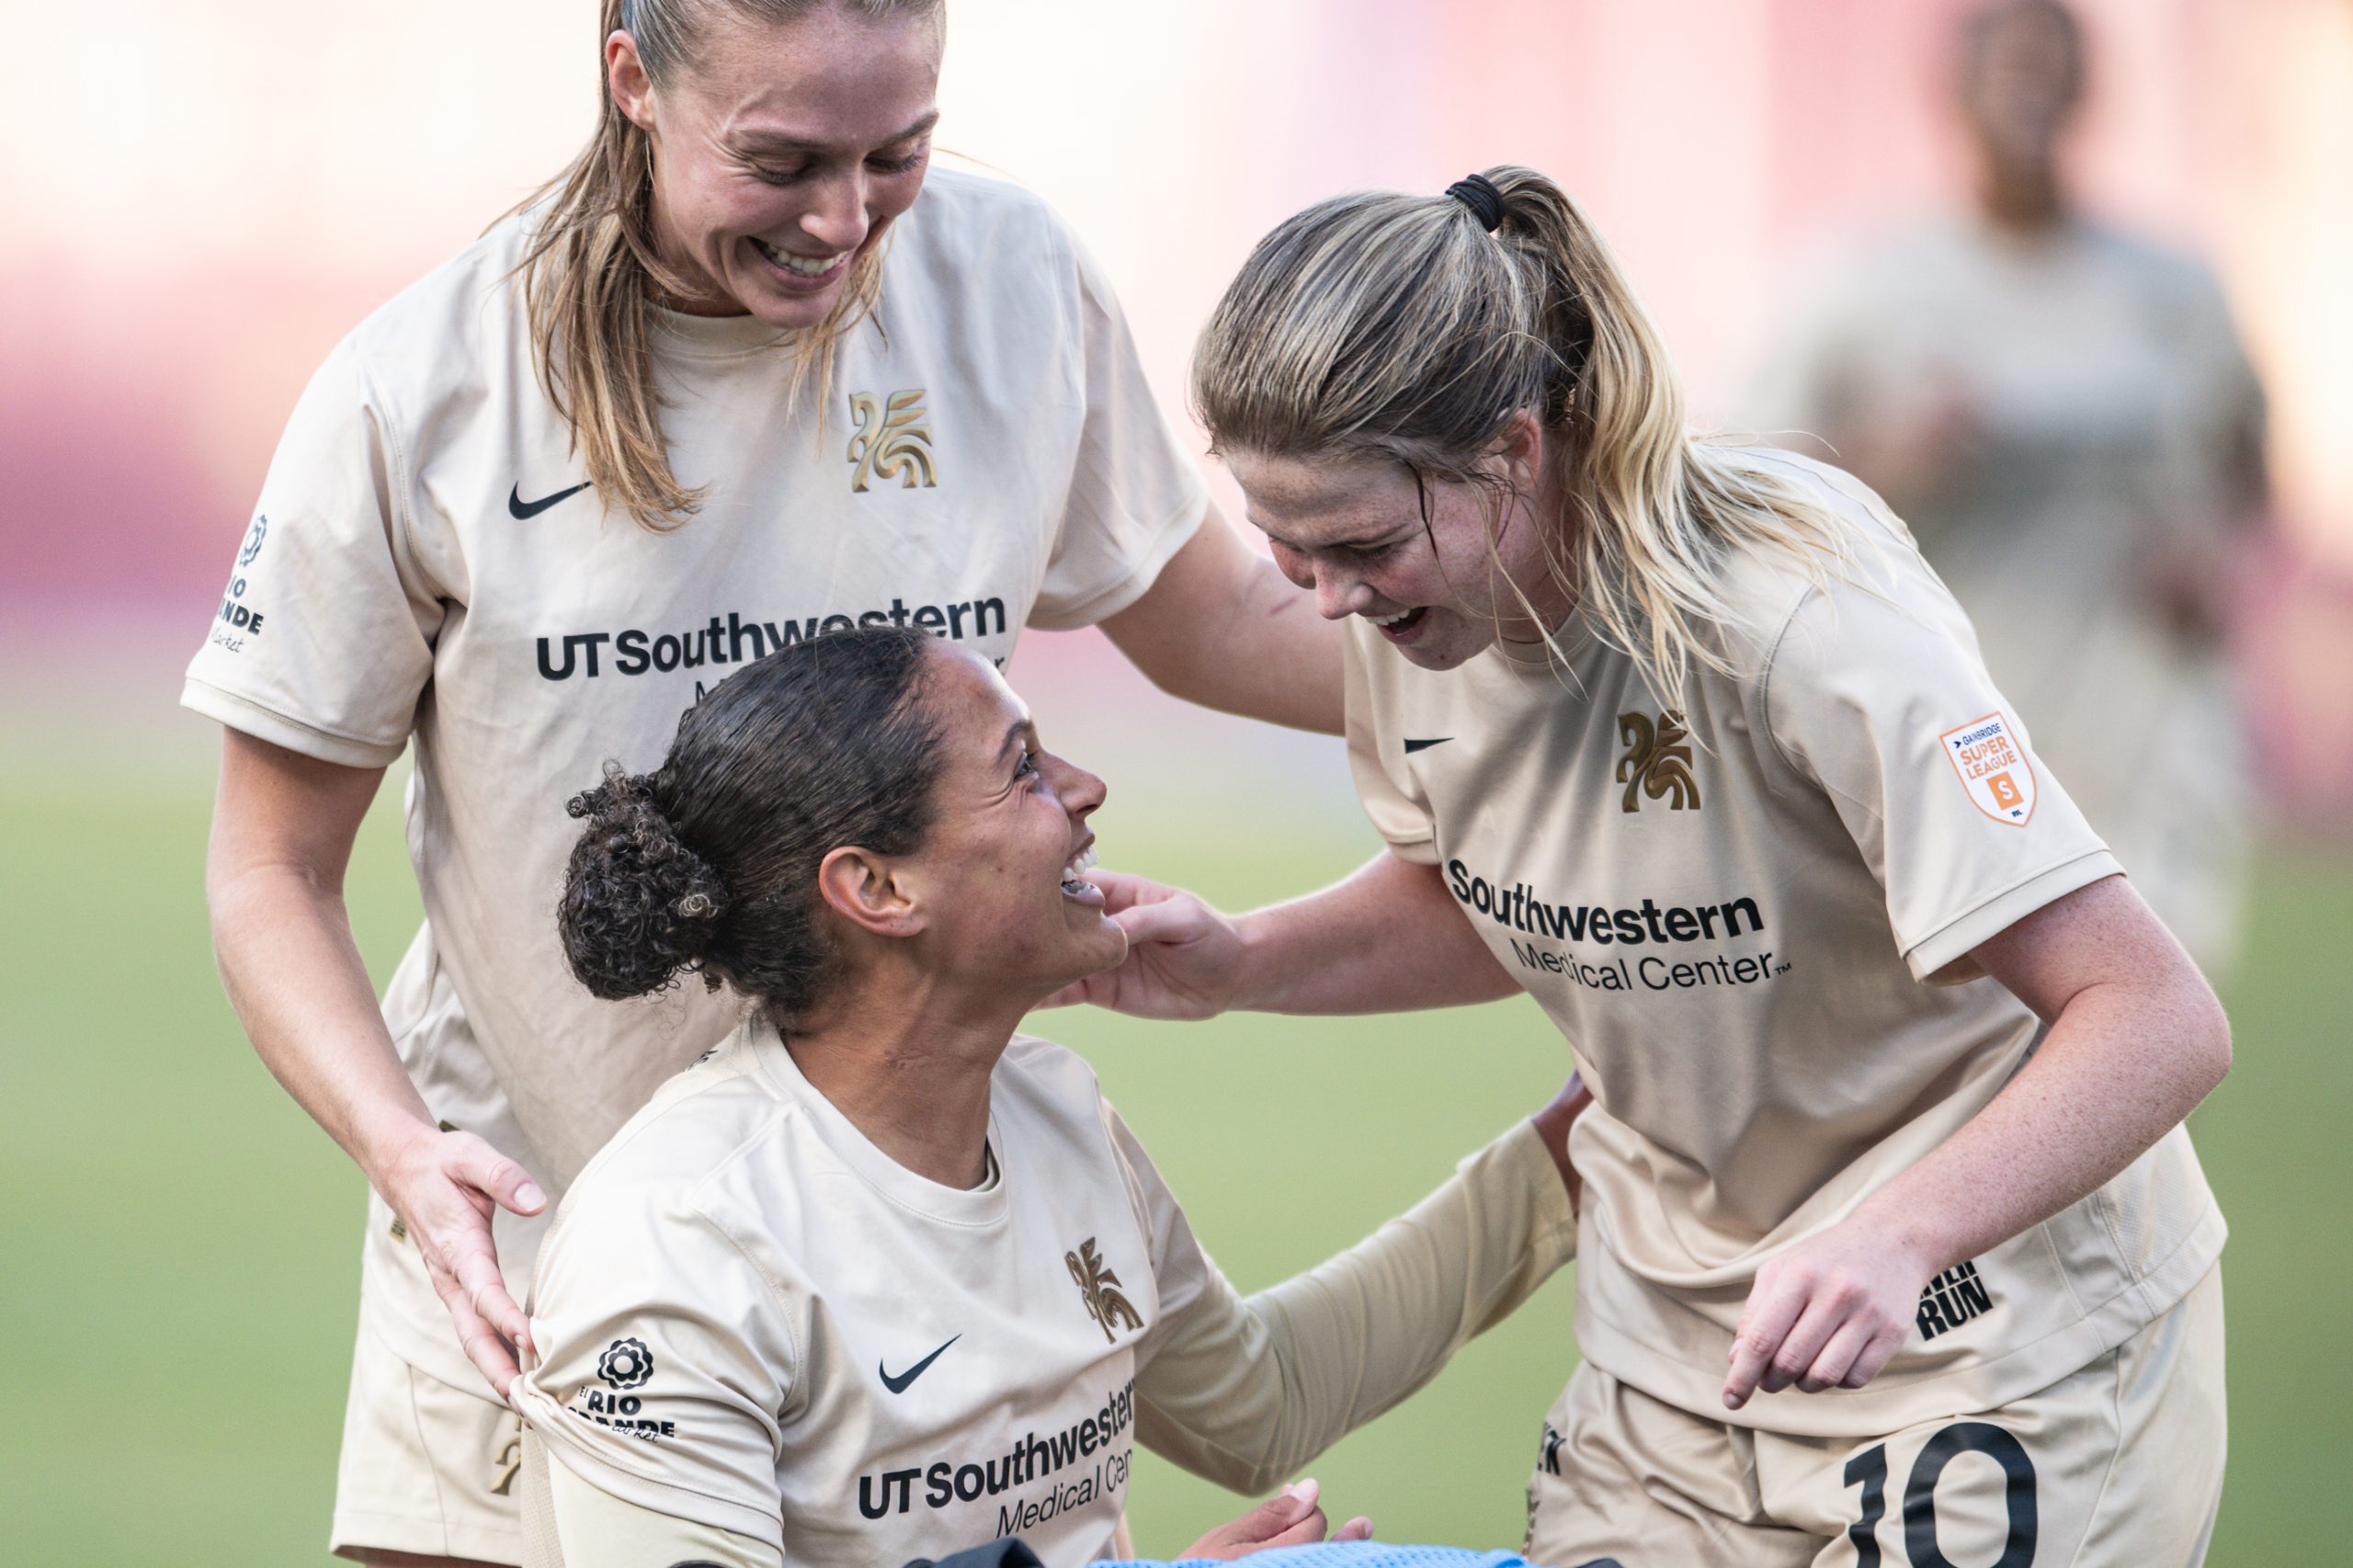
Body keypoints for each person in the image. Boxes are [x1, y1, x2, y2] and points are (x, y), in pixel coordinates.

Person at [187, 3, 1339, 1562]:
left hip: (905, 1276)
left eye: (899, 155)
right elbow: (270, 868)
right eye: (783, 160)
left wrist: (1547, 658)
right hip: (527, 1276)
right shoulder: (425, 387)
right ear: (632, 83)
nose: (844, 221)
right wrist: (407, 1157)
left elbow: (1218, 621)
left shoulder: (1013, 288)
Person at [1056, 166, 2234, 1564]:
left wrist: (1900, 1236)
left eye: (1362, 543)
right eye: (1284, 547)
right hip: (1667, 1371)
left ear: (1513, 448)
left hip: (1994, 1356)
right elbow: (1516, 891)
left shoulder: (1800, 616)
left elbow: (2155, 1014)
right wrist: (1248, 961)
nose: (1329, 602)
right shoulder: (1415, 630)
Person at [511, 625, 1586, 1568]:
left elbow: (1262, 1400)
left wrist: (1582, 1148)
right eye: (1021, 767)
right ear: (879, 888)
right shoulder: (675, 1240)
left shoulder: (1052, 1108)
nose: (1084, 786)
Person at [1745, 0, 2269, 978]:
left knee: (2148, 1019)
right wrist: (1887, 454)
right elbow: (1745, 481)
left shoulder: (2171, 287)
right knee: (1980, 1026)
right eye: (2005, 69)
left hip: (2139, 707)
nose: (2028, 93)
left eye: (2050, 68)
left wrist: (2216, 554)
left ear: (2085, 90)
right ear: (1952, 92)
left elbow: (2246, 457)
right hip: (1956, 712)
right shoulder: (1865, 285)